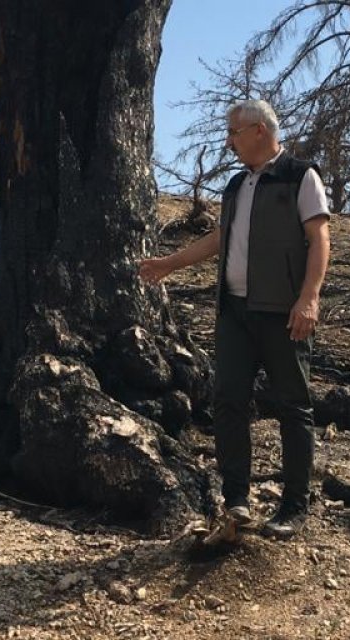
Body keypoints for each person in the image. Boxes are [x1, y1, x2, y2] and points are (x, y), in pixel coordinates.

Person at [140, 99, 331, 539]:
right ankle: (237, 500)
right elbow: (221, 237)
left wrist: (309, 298)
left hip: (284, 311)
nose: (230, 142)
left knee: (293, 406)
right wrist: (171, 263)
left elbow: (320, 238)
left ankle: (293, 508)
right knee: (227, 400)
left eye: (235, 133)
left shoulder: (300, 176)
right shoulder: (236, 186)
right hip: (235, 312)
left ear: (260, 130)